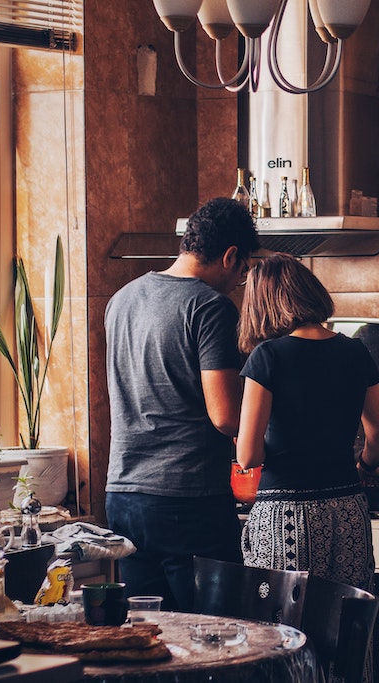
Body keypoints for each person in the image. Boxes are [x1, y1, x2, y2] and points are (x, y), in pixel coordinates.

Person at [104, 197, 259, 611]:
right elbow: (226, 417)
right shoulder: (210, 307)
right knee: (219, 639)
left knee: (152, 637)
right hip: (186, 500)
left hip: (123, 495)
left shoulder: (121, 300)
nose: (238, 282)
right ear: (230, 256)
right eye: (243, 272)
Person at [236, 252, 379, 593]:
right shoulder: (355, 351)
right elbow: (378, 434)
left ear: (263, 304)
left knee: (283, 630)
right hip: (348, 508)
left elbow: (248, 456)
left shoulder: (268, 356)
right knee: (346, 623)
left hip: (285, 515)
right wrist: (365, 466)